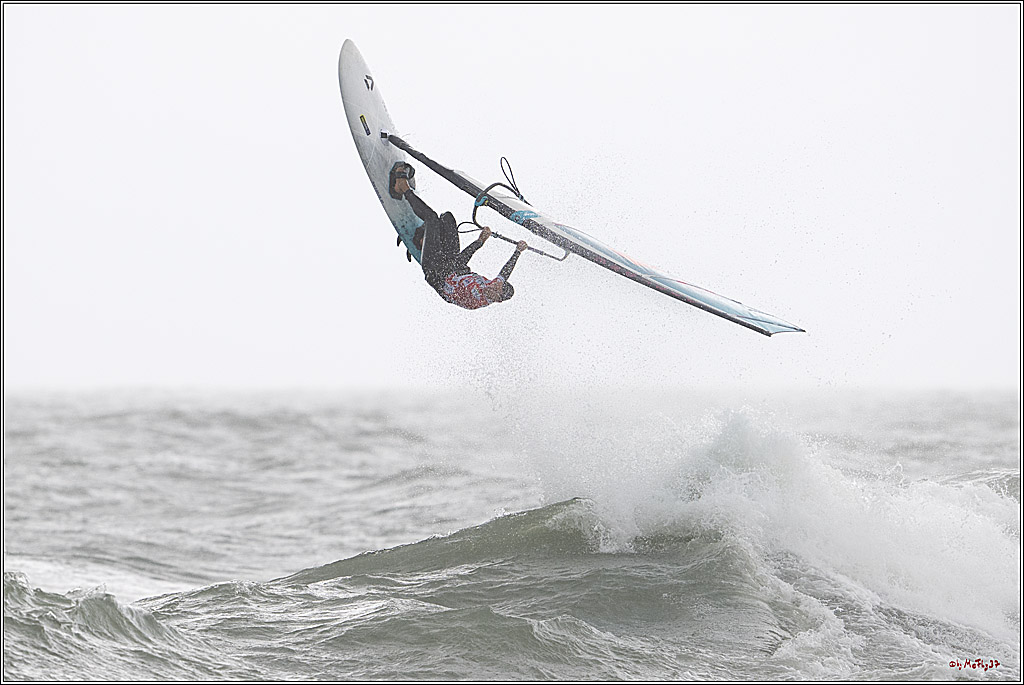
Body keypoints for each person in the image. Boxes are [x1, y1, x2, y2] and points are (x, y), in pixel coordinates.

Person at [390, 162, 527, 310]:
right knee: (447, 219)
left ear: (497, 300)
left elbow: (459, 262)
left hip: (435, 271)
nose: (492, 287)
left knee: (432, 218)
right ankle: (423, 238)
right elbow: (505, 272)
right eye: (495, 284)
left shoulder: (474, 299)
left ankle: (402, 188)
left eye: (494, 291)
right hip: (451, 265)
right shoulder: (494, 284)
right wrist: (518, 251)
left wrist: (479, 242)